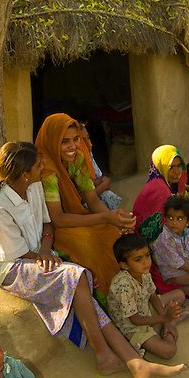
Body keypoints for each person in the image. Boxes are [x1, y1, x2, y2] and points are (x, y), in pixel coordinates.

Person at [0, 141, 185, 378]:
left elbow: (47, 225)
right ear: (24, 174)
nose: (42, 167)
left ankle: (129, 362)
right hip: (10, 267)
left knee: (80, 279)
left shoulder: (33, 188)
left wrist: (45, 249)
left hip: (37, 252)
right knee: (75, 276)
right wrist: (49, 256)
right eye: (38, 165)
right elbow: (17, 255)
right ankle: (111, 356)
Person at [35, 113, 135, 297]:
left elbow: (93, 200)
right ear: (52, 142)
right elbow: (58, 219)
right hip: (58, 228)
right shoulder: (46, 170)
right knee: (89, 244)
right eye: (65, 141)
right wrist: (106, 217)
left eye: (75, 139)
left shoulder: (78, 159)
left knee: (114, 235)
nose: (72, 146)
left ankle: (128, 295)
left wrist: (114, 221)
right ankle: (107, 298)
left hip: (78, 217)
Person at [107, 233, 188, 360]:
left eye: (147, 255)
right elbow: (135, 320)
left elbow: (153, 296)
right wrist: (166, 318)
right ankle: (170, 325)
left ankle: (162, 326)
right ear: (124, 265)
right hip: (132, 327)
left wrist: (165, 321)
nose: (146, 262)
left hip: (145, 307)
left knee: (179, 295)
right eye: (138, 259)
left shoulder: (144, 272)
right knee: (169, 351)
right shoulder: (122, 285)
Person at [80, 122, 122, 210]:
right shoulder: (74, 165)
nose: (89, 144)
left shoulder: (89, 156)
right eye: (82, 141)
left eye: (88, 138)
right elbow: (81, 198)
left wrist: (101, 181)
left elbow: (95, 180)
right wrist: (103, 185)